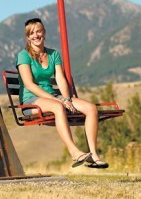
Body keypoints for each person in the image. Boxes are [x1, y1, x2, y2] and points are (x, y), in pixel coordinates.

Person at [16, 17, 109, 169]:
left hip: (54, 98)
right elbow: (29, 85)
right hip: (31, 100)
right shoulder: (24, 56)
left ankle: (93, 154)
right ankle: (74, 152)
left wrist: (66, 98)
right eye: (32, 33)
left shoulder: (53, 55)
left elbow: (60, 79)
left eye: (38, 31)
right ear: (27, 37)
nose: (36, 35)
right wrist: (58, 101)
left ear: (44, 32)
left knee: (91, 108)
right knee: (58, 107)